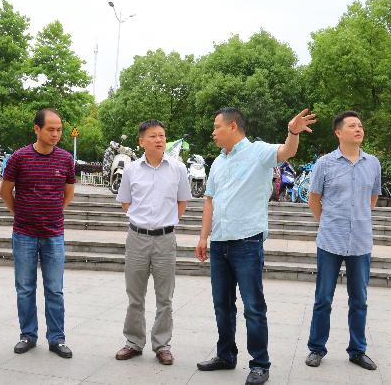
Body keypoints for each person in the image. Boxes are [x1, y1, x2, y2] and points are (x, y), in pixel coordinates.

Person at [195, 107, 316, 385]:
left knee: (253, 306)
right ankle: (226, 355)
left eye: (216, 126)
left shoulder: (258, 152)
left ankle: (260, 363)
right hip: (220, 243)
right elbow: (210, 200)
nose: (213, 132)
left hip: (247, 242)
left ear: (232, 126)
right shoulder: (218, 162)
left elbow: (287, 151)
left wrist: (293, 131)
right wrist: (203, 237)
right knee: (222, 304)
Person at [305, 111, 381, 371]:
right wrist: (326, 222)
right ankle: (316, 348)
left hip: (361, 242)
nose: (358, 129)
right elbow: (314, 198)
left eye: (360, 125)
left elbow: (373, 198)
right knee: (323, 298)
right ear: (338, 132)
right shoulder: (325, 163)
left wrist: (358, 219)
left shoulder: (373, 163)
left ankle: (357, 351)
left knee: (359, 299)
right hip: (330, 241)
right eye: (352, 125)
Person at [113, 119, 191, 365]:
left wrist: (166, 222)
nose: (159, 140)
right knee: (135, 295)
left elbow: (182, 202)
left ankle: (162, 345)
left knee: (165, 298)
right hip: (137, 238)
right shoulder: (131, 170)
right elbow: (125, 202)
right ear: (141, 141)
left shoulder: (178, 168)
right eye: (153, 136)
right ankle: (133, 342)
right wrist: (143, 220)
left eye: (162, 135)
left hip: (165, 240)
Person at [0, 108, 75, 359]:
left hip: (54, 234)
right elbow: (5, 191)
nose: (56, 134)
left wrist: (55, 211)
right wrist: (20, 212)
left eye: (59, 130)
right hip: (24, 234)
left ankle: (57, 338)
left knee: (55, 289)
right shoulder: (19, 157)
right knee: (25, 288)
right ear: (37, 129)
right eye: (50, 129)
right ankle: (27, 335)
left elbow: (68, 192)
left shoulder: (65, 159)